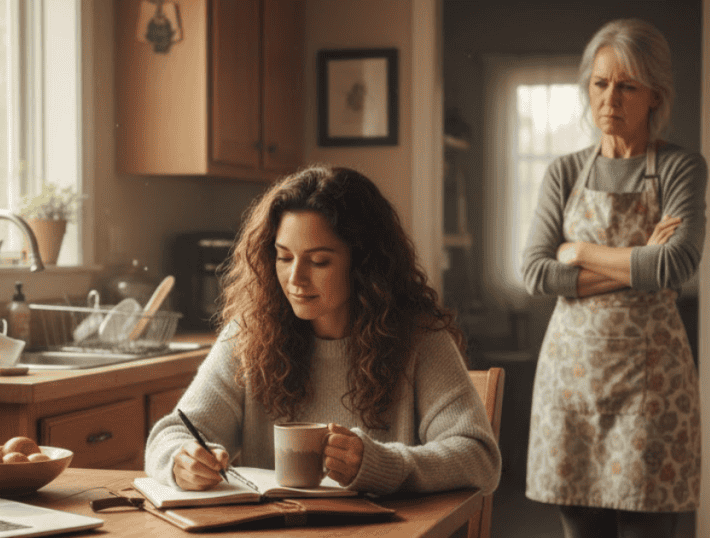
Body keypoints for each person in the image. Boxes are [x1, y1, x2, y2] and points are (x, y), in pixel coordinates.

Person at [145, 165, 502, 497]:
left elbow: (478, 456)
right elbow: (172, 433)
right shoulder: (250, 333)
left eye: (319, 261)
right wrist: (180, 459)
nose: (295, 279)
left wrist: (385, 465)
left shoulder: (420, 339)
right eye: (284, 257)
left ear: (363, 265)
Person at [521, 18, 706, 537]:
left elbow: (675, 265)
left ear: (654, 95)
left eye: (627, 86)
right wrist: (636, 261)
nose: (610, 98)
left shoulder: (680, 169)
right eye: (600, 84)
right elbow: (535, 272)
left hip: (652, 390)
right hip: (572, 388)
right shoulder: (563, 172)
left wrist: (579, 251)